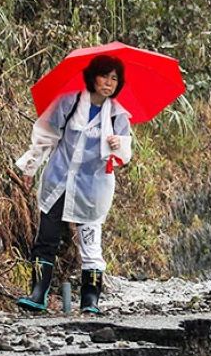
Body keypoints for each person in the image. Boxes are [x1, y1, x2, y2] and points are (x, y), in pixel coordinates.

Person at [15, 55, 132, 314]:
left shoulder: (117, 115)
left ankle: (91, 299)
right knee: (46, 238)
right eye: (104, 76)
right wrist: (31, 166)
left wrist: (118, 145)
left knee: (91, 243)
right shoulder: (69, 102)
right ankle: (38, 293)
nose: (108, 83)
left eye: (114, 79)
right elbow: (46, 134)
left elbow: (125, 154)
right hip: (59, 180)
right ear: (93, 77)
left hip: (93, 189)